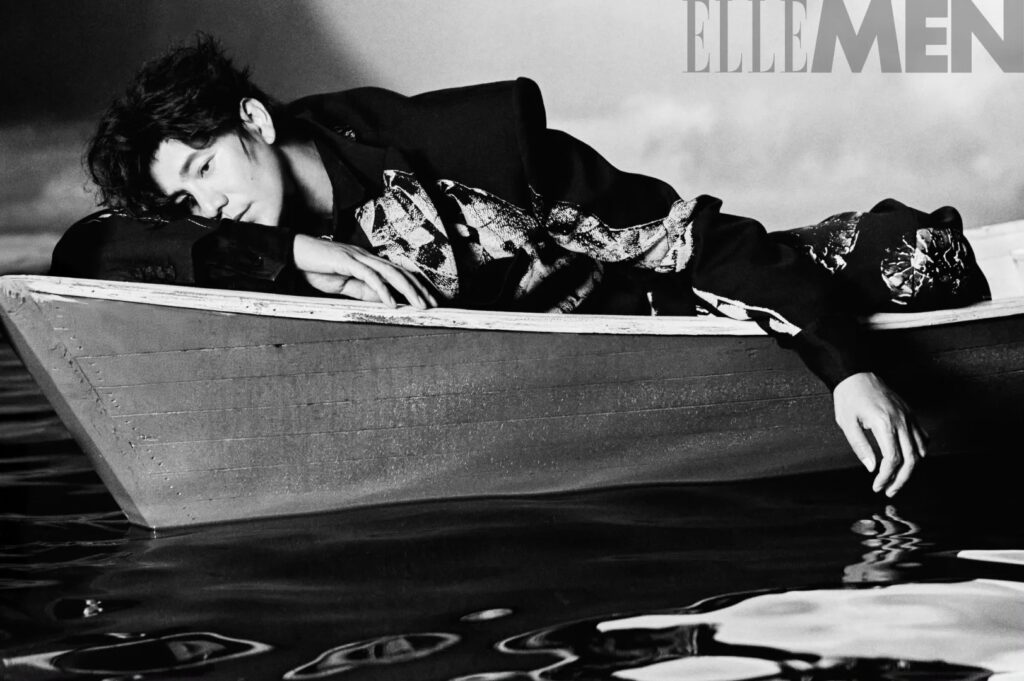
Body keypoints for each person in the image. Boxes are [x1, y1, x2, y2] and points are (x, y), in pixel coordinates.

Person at [51, 36, 989, 497]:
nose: (205, 205)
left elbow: (693, 243)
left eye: (205, 169)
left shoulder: (477, 146)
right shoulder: (241, 235)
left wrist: (848, 366)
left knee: (921, 261)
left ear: (254, 122)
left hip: (655, 300)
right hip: (514, 369)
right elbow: (87, 250)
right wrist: (296, 251)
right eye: (182, 200)